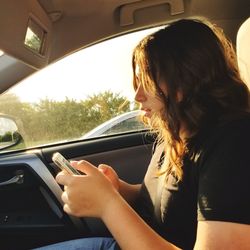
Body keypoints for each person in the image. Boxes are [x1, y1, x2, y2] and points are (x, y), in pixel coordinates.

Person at [35, 17, 250, 250]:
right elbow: (168, 201)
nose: (137, 95)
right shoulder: (175, 133)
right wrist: (118, 189)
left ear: (187, 78)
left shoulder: (235, 143)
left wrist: (108, 204)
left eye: (148, 81)